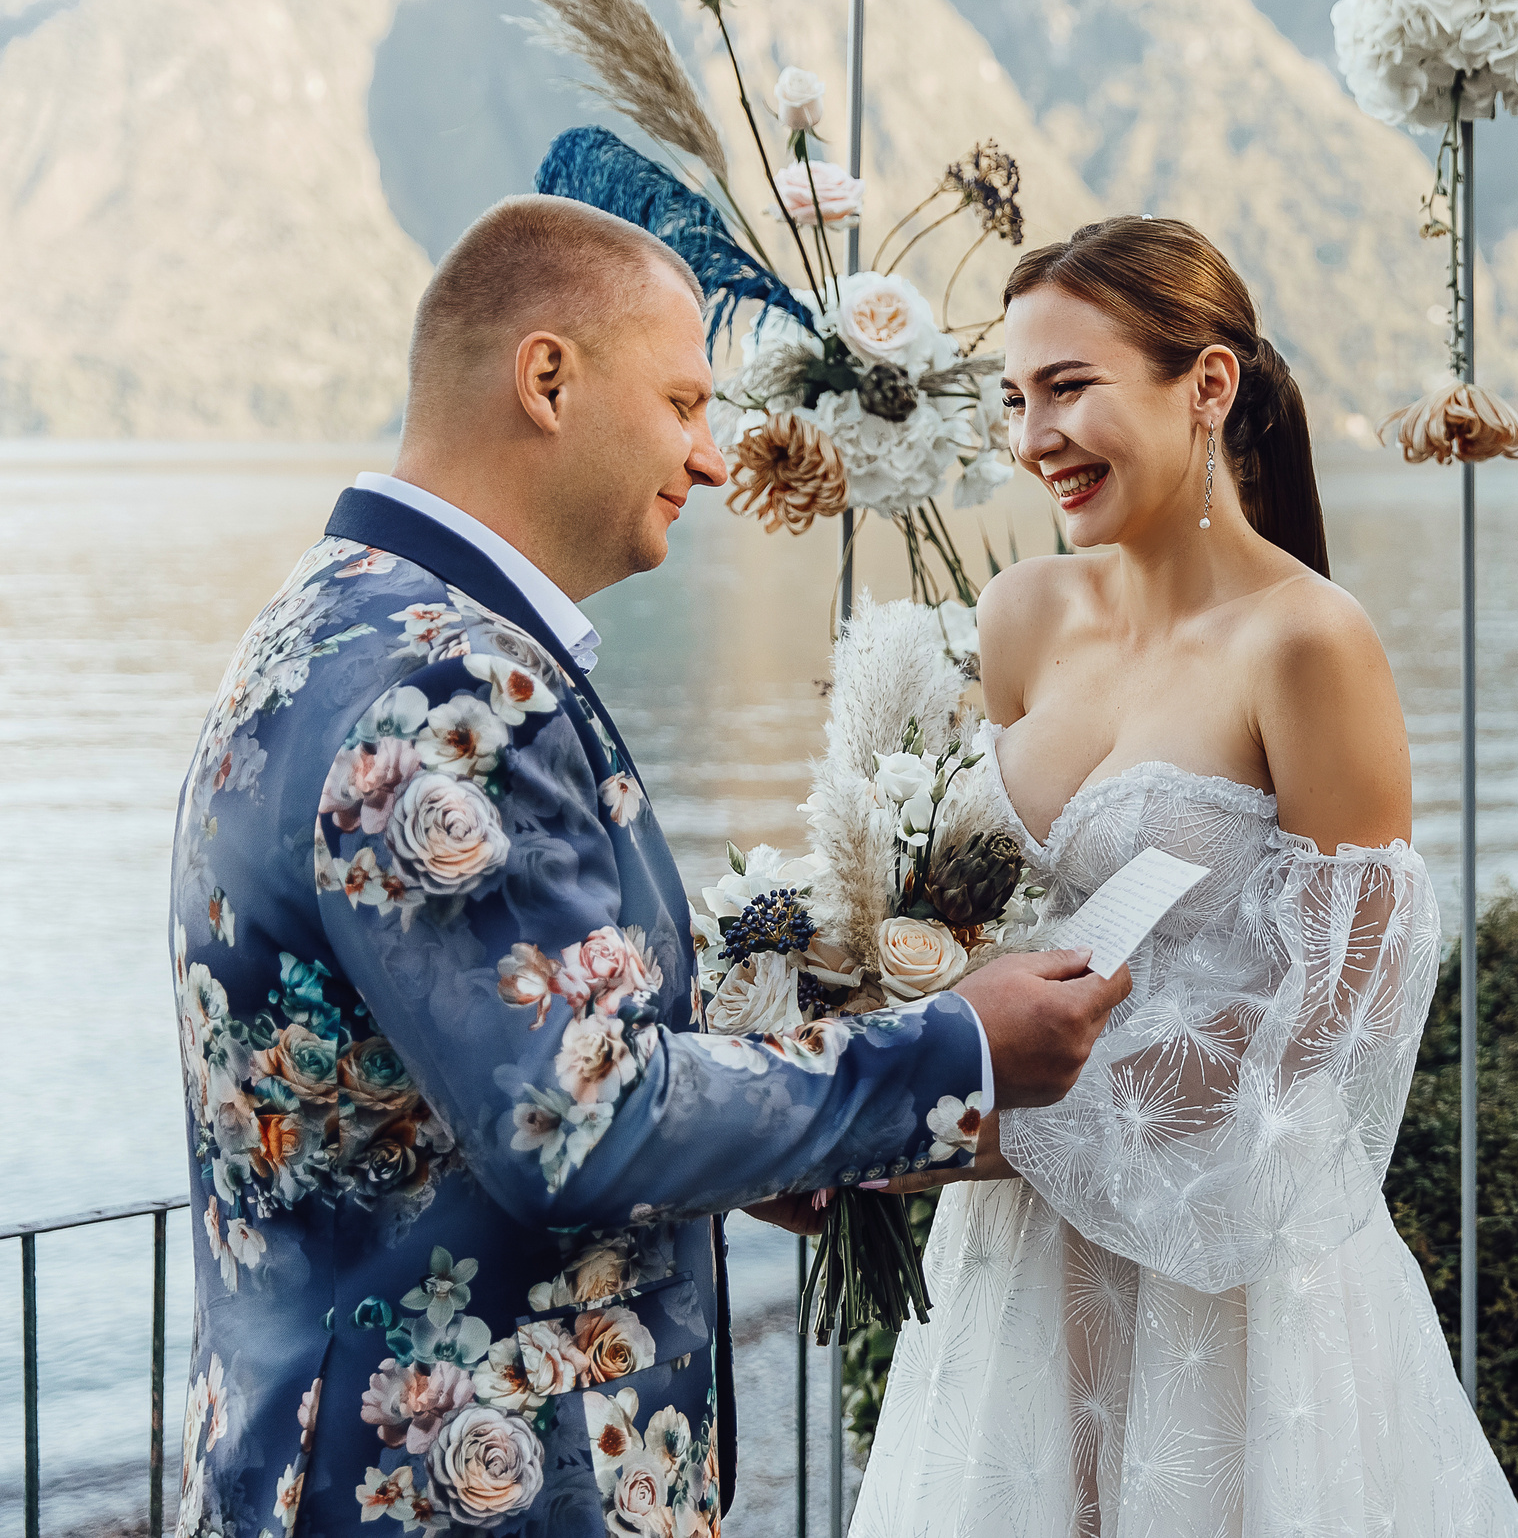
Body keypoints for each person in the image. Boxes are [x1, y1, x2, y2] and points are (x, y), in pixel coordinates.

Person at [165, 194, 1123, 1536]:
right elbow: (579, 1121)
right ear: (548, 379)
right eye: (683, 402)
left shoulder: (322, 619)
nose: (717, 458)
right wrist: (955, 1047)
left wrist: (757, 1139)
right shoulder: (453, 680)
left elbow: (478, 1082)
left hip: (298, 1461)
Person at [845, 217, 1518, 1537]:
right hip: (1017, 1281)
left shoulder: (1310, 644)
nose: (1034, 434)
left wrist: (970, 1125)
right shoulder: (1020, 619)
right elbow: (987, 923)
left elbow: (1325, 1022)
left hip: (1229, 1288)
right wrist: (868, 1036)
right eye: (1014, 397)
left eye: (1070, 387)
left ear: (1206, 386)